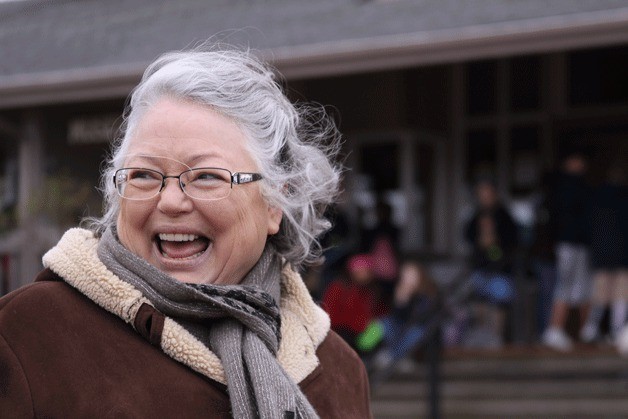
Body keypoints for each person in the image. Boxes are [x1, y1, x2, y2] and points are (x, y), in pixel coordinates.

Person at [0, 46, 371, 418]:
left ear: (275, 203)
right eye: (144, 175)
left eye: (207, 176)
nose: (171, 202)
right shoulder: (27, 337)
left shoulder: (336, 369)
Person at [542, 152, 592, 351]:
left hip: (580, 243)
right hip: (567, 242)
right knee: (565, 285)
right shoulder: (563, 187)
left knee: (582, 287)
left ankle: (584, 331)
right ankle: (554, 329)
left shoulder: (580, 186)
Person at [463, 178, 518, 348]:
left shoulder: (504, 217)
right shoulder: (475, 217)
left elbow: (511, 242)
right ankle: (482, 335)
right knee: (479, 300)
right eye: (481, 194)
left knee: (500, 301)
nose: (485, 198)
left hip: (500, 268)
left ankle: (497, 337)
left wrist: (494, 242)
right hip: (480, 267)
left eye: (488, 194)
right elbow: (468, 237)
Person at [580, 165, 628, 343]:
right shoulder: (623, 197)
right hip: (622, 254)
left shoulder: (595, 197)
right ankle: (616, 331)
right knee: (621, 295)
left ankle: (591, 328)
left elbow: (587, 225)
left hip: (601, 252)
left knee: (600, 294)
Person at [322, 254, 382, 351]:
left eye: (366, 272)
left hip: (357, 337)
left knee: (379, 328)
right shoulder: (338, 287)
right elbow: (328, 311)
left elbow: (371, 317)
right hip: (335, 331)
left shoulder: (371, 292)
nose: (363, 275)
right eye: (360, 271)